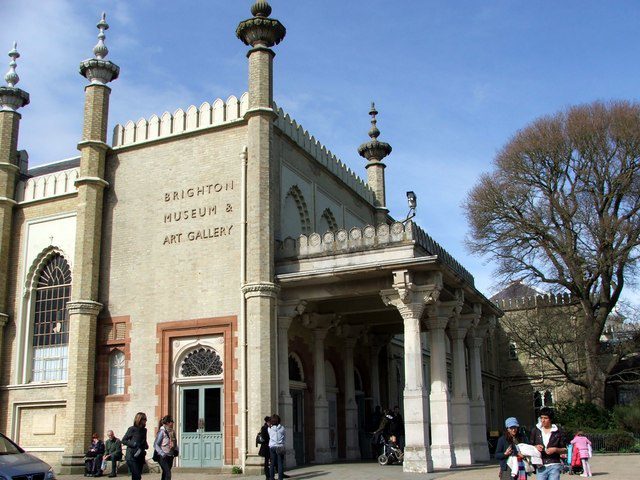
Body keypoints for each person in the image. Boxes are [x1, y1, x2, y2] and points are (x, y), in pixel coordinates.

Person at [530, 407, 567, 480]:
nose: (543, 420)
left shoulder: (558, 431)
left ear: (550, 419)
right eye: (541, 418)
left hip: (554, 463)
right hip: (540, 464)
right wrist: (535, 447)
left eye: (545, 418)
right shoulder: (536, 430)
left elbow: (565, 450)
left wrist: (555, 449)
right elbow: (530, 445)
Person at [122, 412, 149, 480]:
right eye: (144, 419)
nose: (146, 420)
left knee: (136, 476)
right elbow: (124, 440)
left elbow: (143, 440)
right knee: (137, 476)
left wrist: (146, 445)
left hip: (140, 455)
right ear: (139, 419)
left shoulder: (144, 430)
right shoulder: (132, 429)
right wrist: (133, 444)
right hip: (131, 456)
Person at [154, 415, 178, 480]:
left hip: (170, 455)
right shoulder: (162, 432)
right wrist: (162, 453)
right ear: (167, 422)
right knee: (168, 474)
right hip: (163, 456)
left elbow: (175, 442)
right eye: (171, 421)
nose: (173, 423)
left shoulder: (172, 431)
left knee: (165, 473)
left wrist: (176, 450)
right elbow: (156, 445)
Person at [268, 413, 285, 480]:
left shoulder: (269, 429)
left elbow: (269, 436)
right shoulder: (282, 428)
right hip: (280, 446)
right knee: (280, 463)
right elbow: (284, 437)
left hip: (272, 446)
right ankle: (280, 478)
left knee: (272, 463)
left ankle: (271, 478)